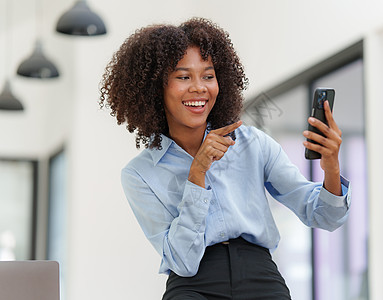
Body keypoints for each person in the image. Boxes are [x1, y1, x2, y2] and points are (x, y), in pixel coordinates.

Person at [99, 17, 351, 300]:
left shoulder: (252, 143)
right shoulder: (140, 174)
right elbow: (182, 261)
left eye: (208, 76)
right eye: (183, 77)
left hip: (261, 278)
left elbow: (325, 216)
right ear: (156, 89)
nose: (199, 88)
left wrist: (331, 168)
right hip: (194, 285)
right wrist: (197, 174)